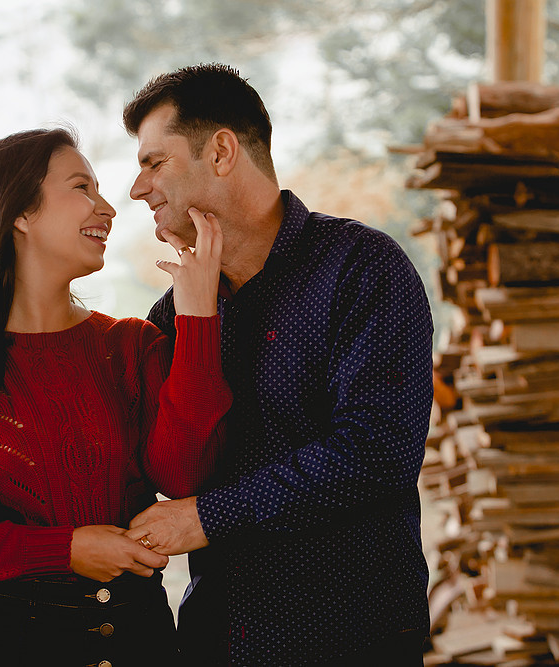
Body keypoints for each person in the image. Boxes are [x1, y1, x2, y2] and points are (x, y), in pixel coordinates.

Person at [0, 127, 231, 666]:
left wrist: (198, 316)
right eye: (82, 187)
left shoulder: (131, 345)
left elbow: (185, 477)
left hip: (132, 639)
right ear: (20, 212)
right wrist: (63, 551)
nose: (107, 207)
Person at [122, 64, 434, 665]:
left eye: (153, 163)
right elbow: (162, 464)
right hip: (218, 639)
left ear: (219, 152)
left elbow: (376, 453)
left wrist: (206, 518)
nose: (138, 190)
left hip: (355, 641)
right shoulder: (176, 316)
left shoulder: (364, 268)